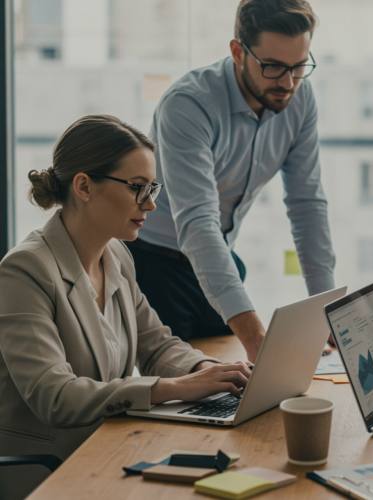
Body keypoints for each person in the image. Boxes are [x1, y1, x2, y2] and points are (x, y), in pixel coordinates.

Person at [0, 115, 252, 500]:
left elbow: (157, 344)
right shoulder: (24, 271)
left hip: (108, 450)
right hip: (50, 473)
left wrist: (208, 370)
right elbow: (56, 396)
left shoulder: (115, 255)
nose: (151, 204)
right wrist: (171, 388)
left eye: (152, 188)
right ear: (84, 186)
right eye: (137, 188)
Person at [128, 0, 335, 362]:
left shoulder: (300, 99)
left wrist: (329, 312)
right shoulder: (188, 104)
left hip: (217, 259)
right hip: (152, 265)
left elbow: (307, 204)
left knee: (232, 386)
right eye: (272, 67)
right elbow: (197, 222)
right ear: (238, 52)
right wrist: (256, 339)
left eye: (299, 66)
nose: (287, 83)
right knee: (181, 394)